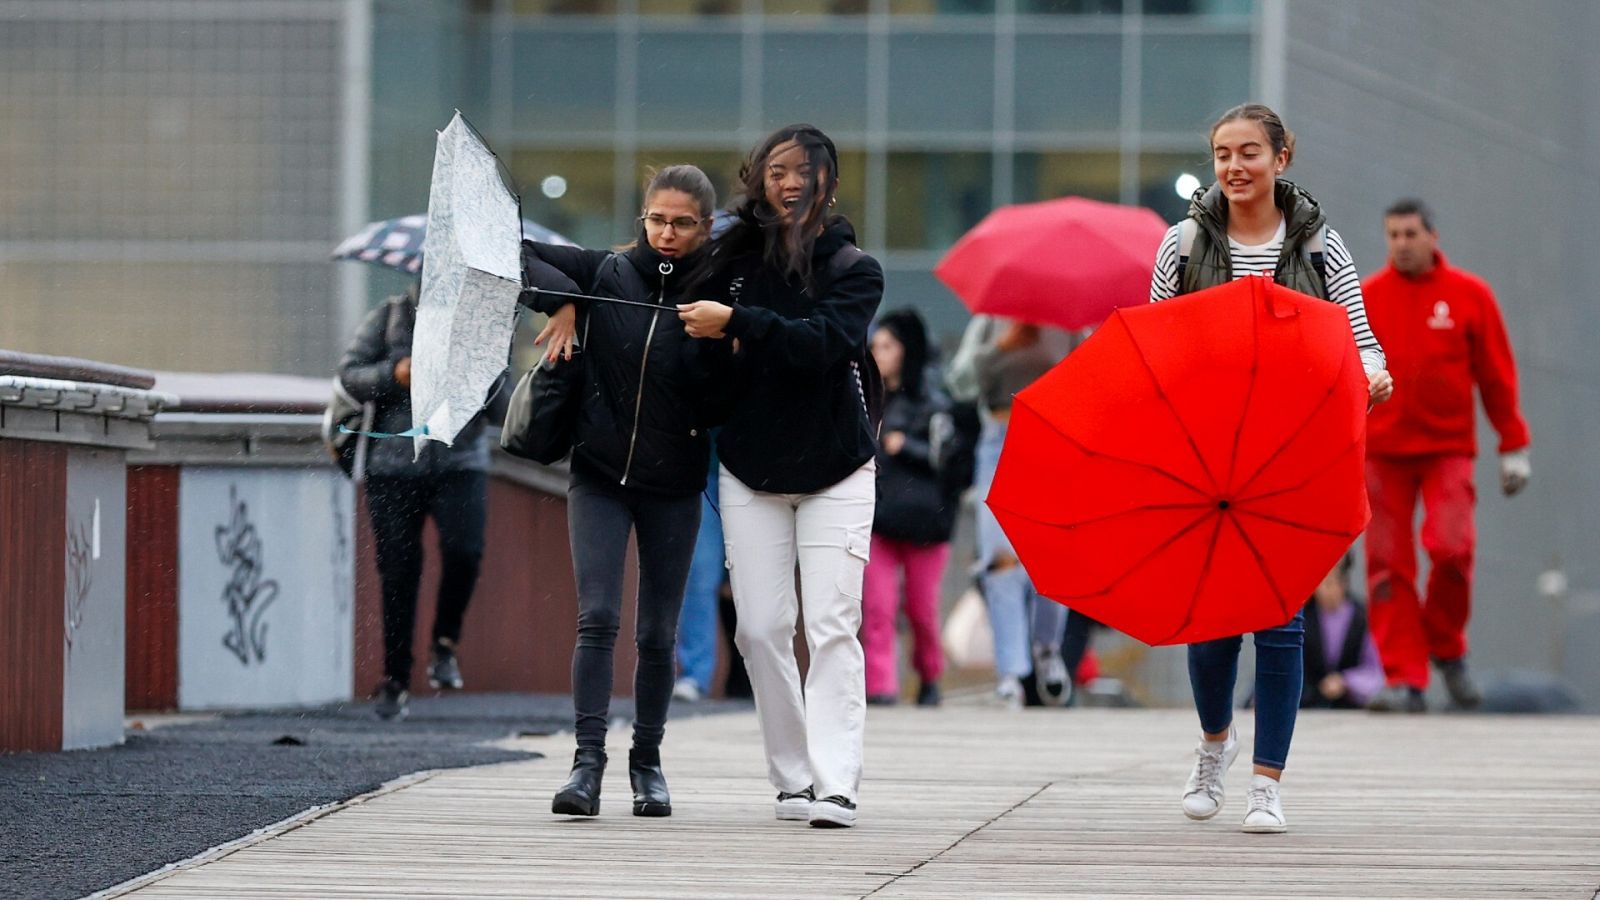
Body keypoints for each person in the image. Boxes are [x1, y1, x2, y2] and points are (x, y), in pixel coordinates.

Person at [1149, 103, 1393, 833]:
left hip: (1295, 451)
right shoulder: (1185, 242)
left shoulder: (1321, 247)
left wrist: (1375, 373)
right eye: (1223, 153)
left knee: (1283, 619)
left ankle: (1266, 783)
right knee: (1213, 618)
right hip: (1207, 453)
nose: (1234, 167)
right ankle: (1214, 746)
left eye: (1250, 152)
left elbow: (1361, 335)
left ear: (1282, 158)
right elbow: (1154, 339)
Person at [676, 124, 883, 828]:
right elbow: (671, 305)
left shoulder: (855, 267)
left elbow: (823, 344)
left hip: (837, 470)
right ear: (759, 179)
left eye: (804, 171)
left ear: (828, 179)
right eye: (777, 171)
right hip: (749, 467)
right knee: (761, 629)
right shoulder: (729, 260)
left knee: (832, 624)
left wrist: (741, 322)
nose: (790, 182)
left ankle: (837, 783)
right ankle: (792, 777)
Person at [519, 165, 728, 818]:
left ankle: (648, 762)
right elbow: (517, 253)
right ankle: (586, 763)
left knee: (659, 633)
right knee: (599, 616)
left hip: (676, 481)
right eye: (657, 219)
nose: (667, 233)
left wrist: (721, 335)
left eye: (683, 222)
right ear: (642, 217)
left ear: (706, 226)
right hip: (600, 475)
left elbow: (735, 382)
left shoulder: (720, 293)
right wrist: (567, 301)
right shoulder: (606, 275)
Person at [1360, 199, 1532, 713]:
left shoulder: (1469, 295)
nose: (1401, 244)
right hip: (1381, 452)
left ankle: (1446, 647)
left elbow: (1497, 375)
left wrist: (1513, 443)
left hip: (1447, 450)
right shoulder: (1367, 297)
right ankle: (1404, 678)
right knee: (1387, 565)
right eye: (1392, 235)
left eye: (1411, 233)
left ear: (1432, 236)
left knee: (1452, 549)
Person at [337, 281, 497, 722]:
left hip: (460, 460)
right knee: (398, 571)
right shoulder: (388, 315)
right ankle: (395, 678)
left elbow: (502, 403)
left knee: (466, 550)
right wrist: (396, 373)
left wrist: (476, 372)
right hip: (392, 465)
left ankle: (445, 643)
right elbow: (350, 375)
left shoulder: (479, 325)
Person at [947, 316, 1074, 708]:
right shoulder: (988, 323)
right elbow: (960, 383)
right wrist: (1002, 346)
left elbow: (1094, 376)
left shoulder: (1068, 323)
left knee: (1050, 557)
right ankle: (1011, 674)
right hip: (998, 443)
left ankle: (1048, 648)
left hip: (1052, 439)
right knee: (1000, 559)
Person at [860, 308, 969, 707]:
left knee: (922, 611)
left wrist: (906, 446)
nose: (878, 353)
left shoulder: (936, 402)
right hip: (879, 519)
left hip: (926, 524)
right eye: (874, 346)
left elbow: (951, 460)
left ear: (907, 351)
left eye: (887, 346)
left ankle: (929, 677)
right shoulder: (866, 398)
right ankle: (881, 687)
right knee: (878, 609)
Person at [1301, 555, 1385, 709]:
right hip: (1308, 702)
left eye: (1332, 582)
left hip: (1348, 705)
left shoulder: (1360, 618)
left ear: (1344, 583)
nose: (1328, 591)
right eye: (1323, 583)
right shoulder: (1304, 617)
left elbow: (1374, 671)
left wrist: (1346, 681)